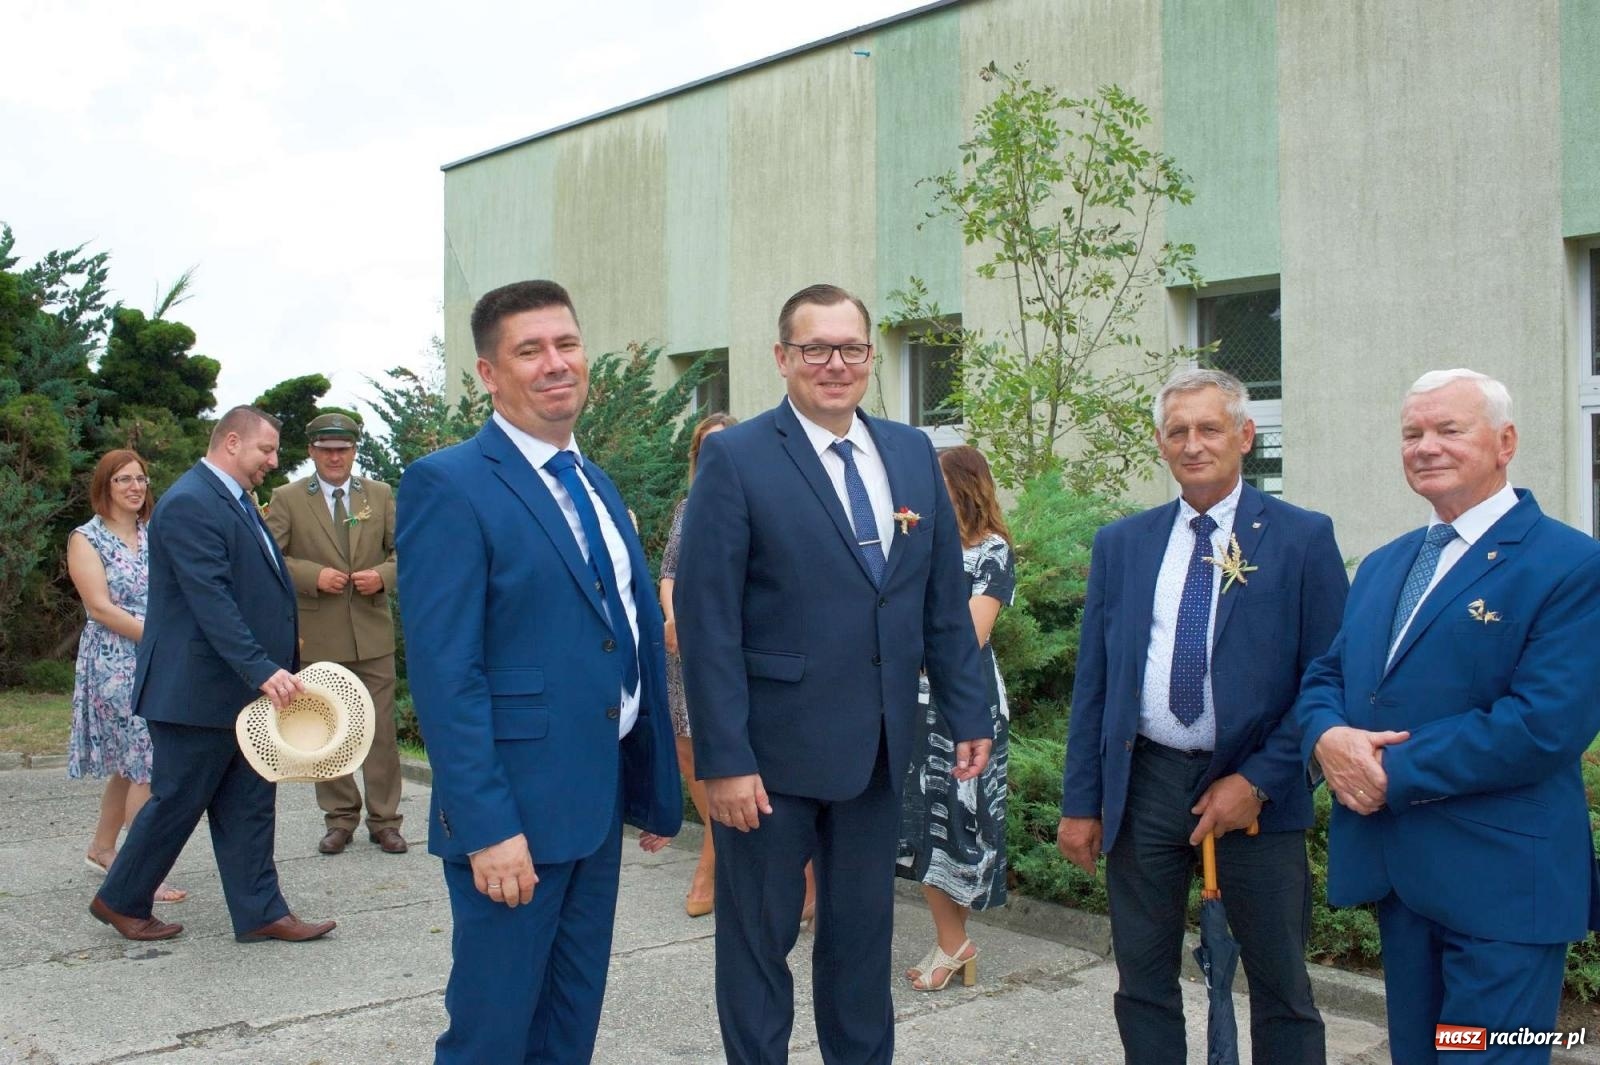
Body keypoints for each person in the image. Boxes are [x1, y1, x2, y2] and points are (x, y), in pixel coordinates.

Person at [675, 283, 993, 1065]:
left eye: (850, 347)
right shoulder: (737, 457)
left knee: (860, 946)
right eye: (815, 348)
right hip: (768, 762)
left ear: (870, 356)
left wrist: (968, 710)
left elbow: (941, 599)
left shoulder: (911, 453)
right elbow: (708, 621)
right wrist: (725, 757)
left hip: (877, 752)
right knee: (759, 947)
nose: (835, 363)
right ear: (783, 357)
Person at [395, 279, 682, 1065]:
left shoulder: (594, 480)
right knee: (491, 1036)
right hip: (513, 816)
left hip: (594, 804)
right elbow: (447, 675)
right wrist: (487, 828)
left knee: (568, 1026)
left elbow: (625, 636)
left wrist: (653, 782)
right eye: (530, 350)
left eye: (567, 344)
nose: (556, 363)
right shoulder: (448, 484)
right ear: (490, 374)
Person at [1294, 369, 1600, 1064]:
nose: (1426, 446)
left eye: (1448, 429)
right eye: (1412, 433)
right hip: (1403, 883)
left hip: (1504, 891)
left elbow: (1543, 722)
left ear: (1505, 442)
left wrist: (1385, 769)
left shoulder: (1571, 565)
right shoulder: (1386, 564)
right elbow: (1328, 675)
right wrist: (1329, 736)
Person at [1058, 368, 1346, 1065]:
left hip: (1254, 792)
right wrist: (1082, 802)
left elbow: (1330, 679)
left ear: (1245, 436)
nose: (1193, 444)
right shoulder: (1122, 543)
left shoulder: (1302, 538)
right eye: (1178, 431)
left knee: (1281, 986)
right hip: (1147, 784)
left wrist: (1261, 780)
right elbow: (1096, 683)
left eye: (1210, 428)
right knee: (1142, 981)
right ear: (1161, 443)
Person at [91, 406, 335, 945]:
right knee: (178, 800)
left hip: (242, 689)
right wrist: (261, 666)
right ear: (231, 442)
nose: (274, 461)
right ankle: (119, 899)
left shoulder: (234, 499)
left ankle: (261, 913)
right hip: (195, 690)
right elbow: (210, 599)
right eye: (266, 450)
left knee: (250, 803)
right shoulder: (190, 502)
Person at [897, 445, 1015, 992]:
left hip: (964, 707)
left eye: (936, 483)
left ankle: (954, 944)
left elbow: (970, 634)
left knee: (957, 822)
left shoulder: (992, 551)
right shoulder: (922, 543)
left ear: (964, 487)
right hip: (913, 701)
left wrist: (899, 645)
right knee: (923, 820)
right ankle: (953, 942)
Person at [266, 411, 406, 856]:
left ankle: (386, 821)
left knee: (380, 732)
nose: (334, 457)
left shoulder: (379, 494)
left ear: (354, 450)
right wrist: (312, 576)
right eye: (326, 450)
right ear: (311, 451)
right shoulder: (287, 498)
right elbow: (267, 558)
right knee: (327, 730)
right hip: (317, 635)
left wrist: (383, 576)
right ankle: (340, 818)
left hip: (372, 633)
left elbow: (407, 551)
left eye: (343, 449)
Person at [67, 449, 186, 905]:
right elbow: (100, 608)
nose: (135, 487)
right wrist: (161, 638)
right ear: (105, 487)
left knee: (130, 761)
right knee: (147, 761)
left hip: (158, 655)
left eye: (140, 479)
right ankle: (142, 875)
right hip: (115, 660)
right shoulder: (86, 539)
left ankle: (102, 848)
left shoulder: (154, 534)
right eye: (123, 480)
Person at [660, 411, 737, 917]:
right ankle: (725, 849)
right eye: (705, 448)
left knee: (721, 755)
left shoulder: (755, 501)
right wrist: (673, 618)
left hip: (728, 649)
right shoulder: (687, 508)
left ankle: (709, 868)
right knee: (687, 756)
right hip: (682, 647)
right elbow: (669, 573)